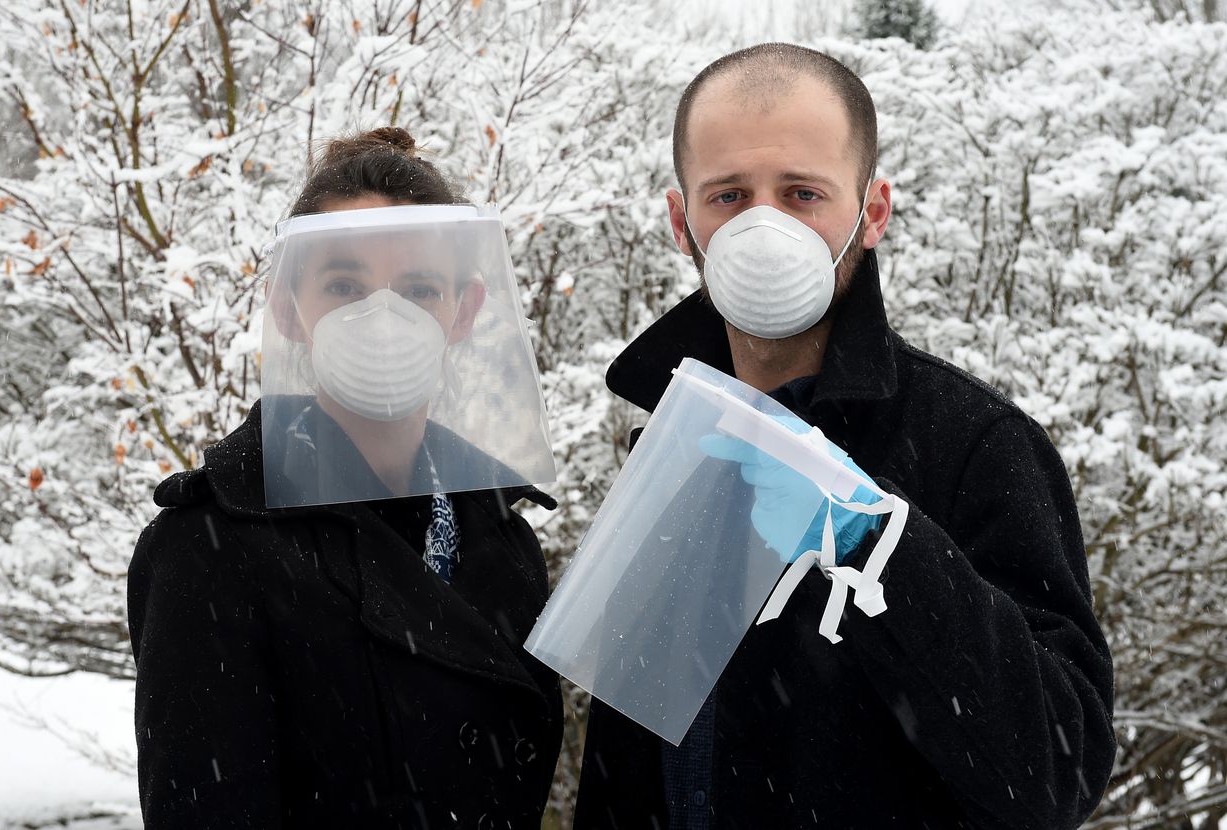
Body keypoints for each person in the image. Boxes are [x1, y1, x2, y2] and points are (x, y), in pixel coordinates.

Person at [573, 44, 1116, 829]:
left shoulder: (978, 444)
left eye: (802, 193)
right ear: (679, 220)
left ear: (873, 212)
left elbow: (1056, 774)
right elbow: (630, 774)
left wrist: (876, 539)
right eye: (728, 196)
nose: (764, 226)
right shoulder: (670, 441)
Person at [128, 127, 563, 830]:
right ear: (288, 311)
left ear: (466, 311)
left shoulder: (503, 535)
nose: (381, 318)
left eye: (419, 287)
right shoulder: (209, 548)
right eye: (344, 284)